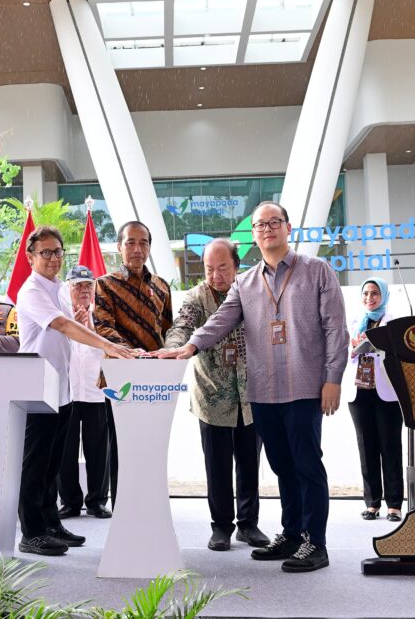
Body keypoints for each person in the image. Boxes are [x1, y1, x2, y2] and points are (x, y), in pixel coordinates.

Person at [157, 201, 348, 574]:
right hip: (262, 391)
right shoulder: (246, 283)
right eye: (260, 226)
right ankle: (292, 534)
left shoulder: (317, 271)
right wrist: (189, 346)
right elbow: (220, 322)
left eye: (273, 222)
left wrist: (332, 379)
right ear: (254, 236)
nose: (266, 230)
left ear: (288, 228)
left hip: (305, 387)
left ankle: (316, 542)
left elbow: (335, 330)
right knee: (281, 466)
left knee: (307, 465)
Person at [16, 227, 138, 556]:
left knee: (53, 463)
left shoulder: (58, 288)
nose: (53, 258)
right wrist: (108, 345)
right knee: (35, 464)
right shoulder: (31, 291)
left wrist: (100, 335)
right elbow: (63, 326)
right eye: (46, 252)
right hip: (36, 388)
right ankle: (32, 532)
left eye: (58, 252)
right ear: (30, 257)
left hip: (62, 389)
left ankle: (51, 523)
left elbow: (75, 330)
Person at [164, 238, 269, 552]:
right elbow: (181, 325)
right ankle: (221, 527)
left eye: (222, 268)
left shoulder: (254, 290)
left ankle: (248, 525)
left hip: (252, 395)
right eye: (209, 268)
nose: (215, 275)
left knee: (250, 464)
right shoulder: (197, 297)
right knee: (218, 465)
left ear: (236, 265)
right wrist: (173, 348)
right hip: (213, 396)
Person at [93, 220, 173, 507]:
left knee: (152, 448)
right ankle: (124, 510)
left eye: (144, 243)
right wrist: (135, 354)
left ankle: (150, 507)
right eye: (130, 242)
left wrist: (172, 352)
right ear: (119, 247)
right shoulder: (105, 285)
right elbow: (103, 328)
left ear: (150, 248)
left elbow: (168, 330)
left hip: (156, 382)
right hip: (120, 380)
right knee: (121, 449)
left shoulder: (163, 286)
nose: (137, 249)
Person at [56, 265, 112, 520]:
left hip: (95, 392)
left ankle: (98, 501)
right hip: (66, 392)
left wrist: (90, 329)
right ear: (68, 288)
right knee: (65, 451)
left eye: (88, 285)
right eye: (78, 285)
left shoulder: (104, 316)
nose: (83, 290)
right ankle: (69, 501)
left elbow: (108, 351)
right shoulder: (58, 316)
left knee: (98, 450)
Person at [348, 277, 404, 523]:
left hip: (387, 392)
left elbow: (401, 354)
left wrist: (376, 348)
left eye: (374, 293)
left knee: (390, 447)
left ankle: (394, 504)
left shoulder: (394, 323)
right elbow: (344, 353)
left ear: (383, 296)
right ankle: (372, 503)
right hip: (360, 391)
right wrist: (353, 350)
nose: (369, 298)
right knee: (365, 447)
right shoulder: (355, 322)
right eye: (366, 293)